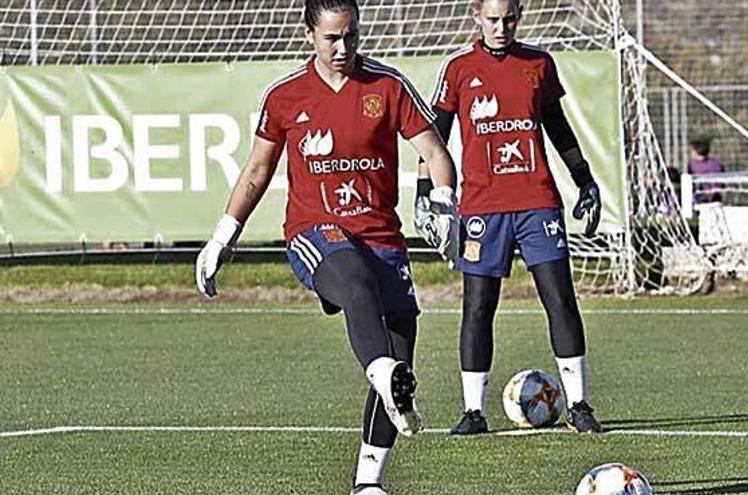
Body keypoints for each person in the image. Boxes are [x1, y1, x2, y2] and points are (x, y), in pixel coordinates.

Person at [194, 1, 457, 493]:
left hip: (382, 236)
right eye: (332, 37)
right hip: (315, 233)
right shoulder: (285, 96)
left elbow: (435, 152)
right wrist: (223, 236)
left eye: (351, 36)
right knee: (355, 285)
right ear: (310, 35)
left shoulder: (388, 85)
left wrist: (444, 202)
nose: (343, 48)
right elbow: (256, 171)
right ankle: (384, 375)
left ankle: (368, 483)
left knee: (401, 346)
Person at [415, 0, 602, 435]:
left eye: (510, 18)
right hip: (482, 208)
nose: (502, 27)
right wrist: (425, 193)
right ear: (476, 16)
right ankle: (473, 412)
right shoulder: (458, 69)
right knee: (478, 307)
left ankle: (579, 406)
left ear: (520, 15)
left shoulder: (538, 63)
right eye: (493, 19)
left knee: (560, 299)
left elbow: (557, 126)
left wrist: (584, 178)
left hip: (538, 202)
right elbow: (433, 138)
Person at [686, 135, 725, 203]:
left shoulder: (693, 165)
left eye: (692, 150)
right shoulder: (715, 163)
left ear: (696, 151)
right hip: (706, 199)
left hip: (707, 200)